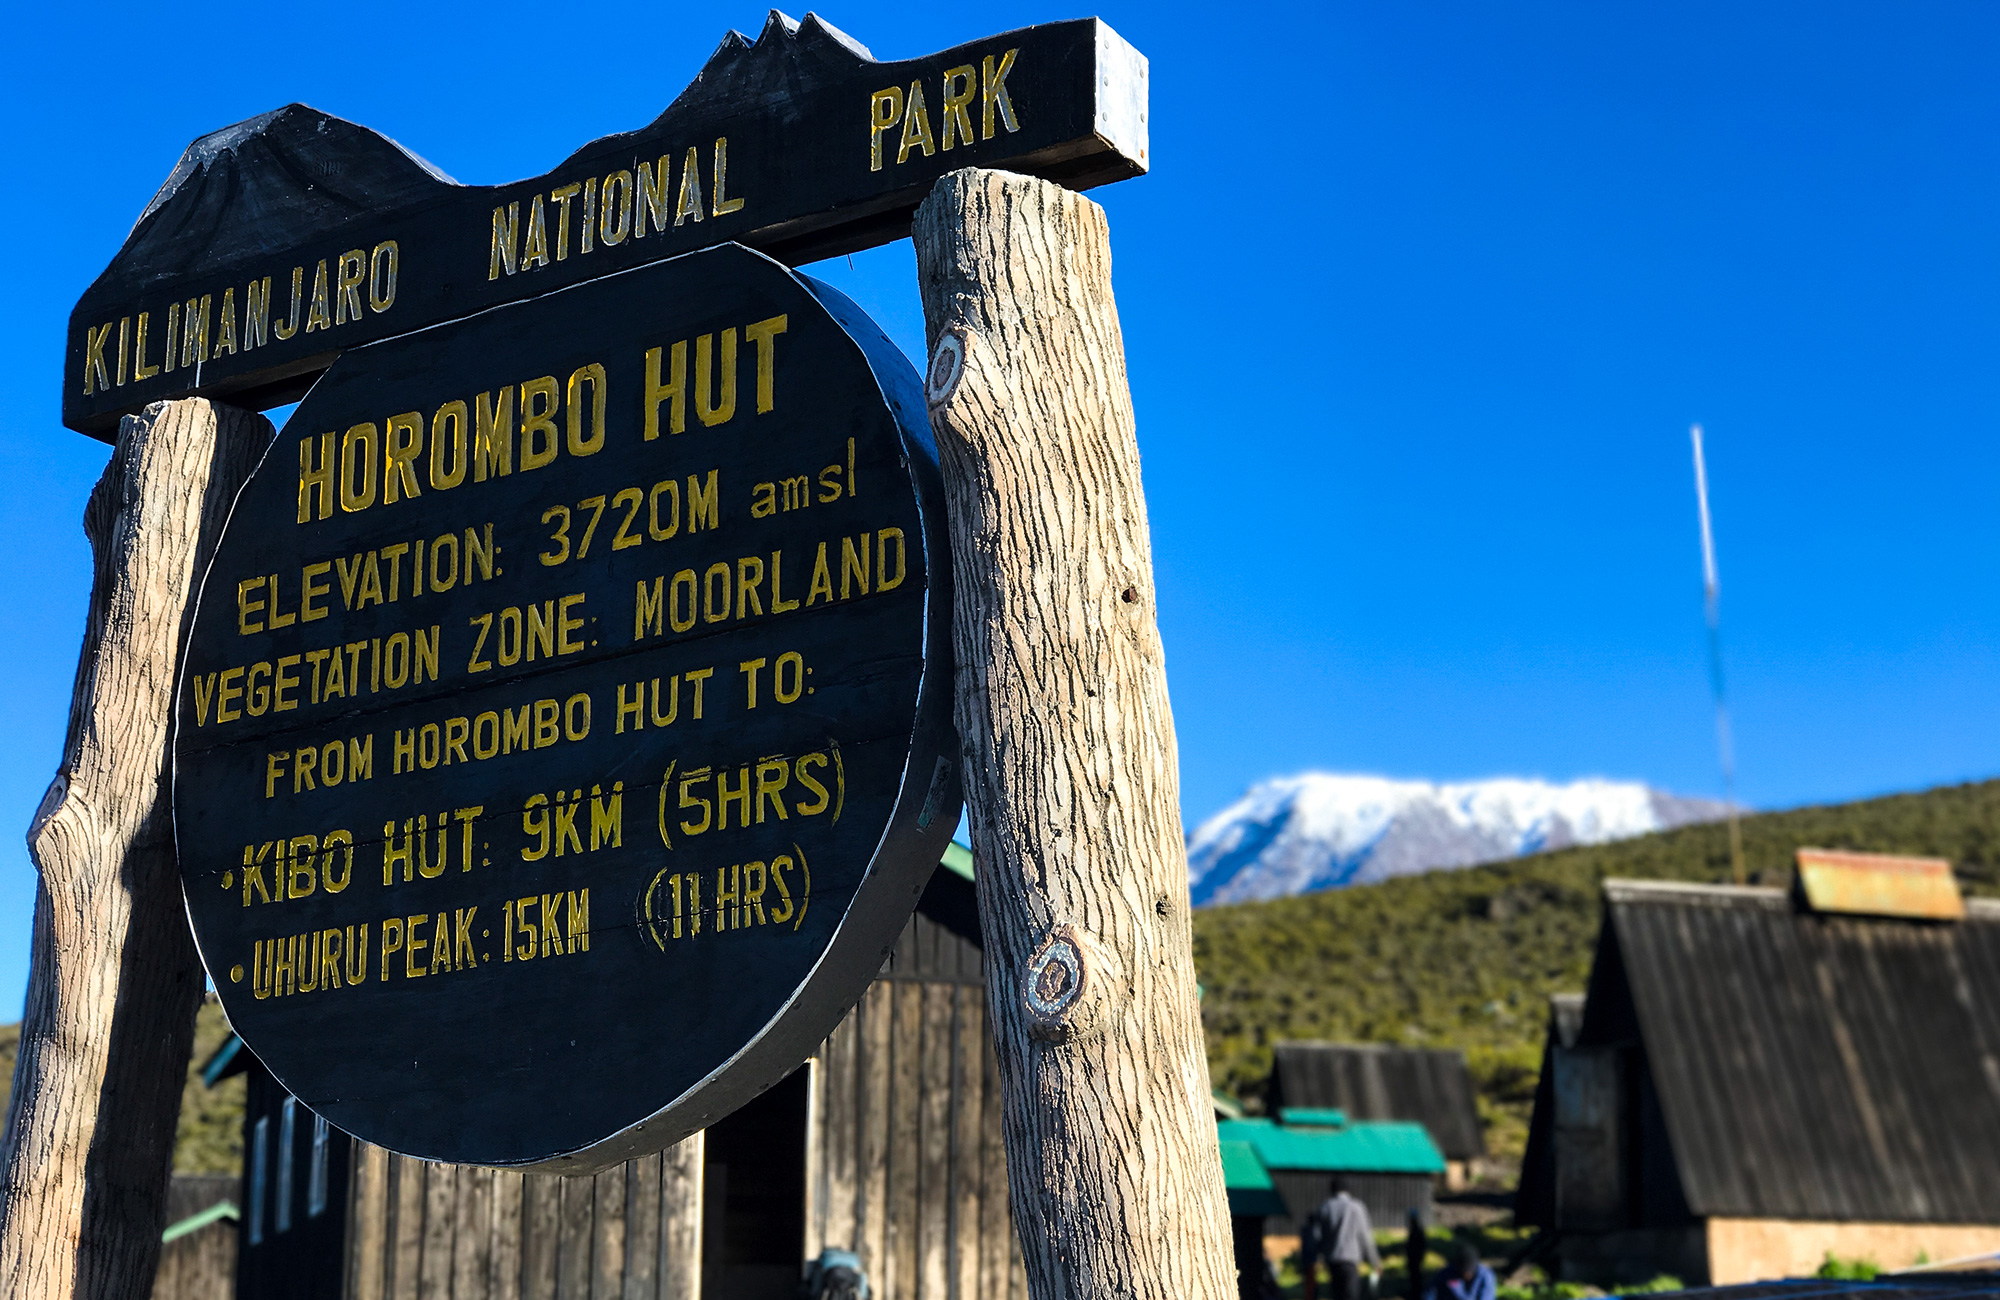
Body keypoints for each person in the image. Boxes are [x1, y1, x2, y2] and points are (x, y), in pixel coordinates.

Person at [1299, 1176, 1380, 1300]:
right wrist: (1374, 1260)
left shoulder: (1324, 1207)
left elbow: (1316, 1235)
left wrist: (1315, 1257)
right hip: (1350, 1260)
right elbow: (1365, 1236)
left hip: (1332, 1260)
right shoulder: (1357, 1207)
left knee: (1337, 1294)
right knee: (1351, 1294)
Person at [1428, 1241, 1495, 1300]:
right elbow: (1431, 1293)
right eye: (1464, 1271)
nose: (1467, 1275)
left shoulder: (1486, 1276)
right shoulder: (1446, 1273)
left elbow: (1486, 1297)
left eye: (1469, 1272)